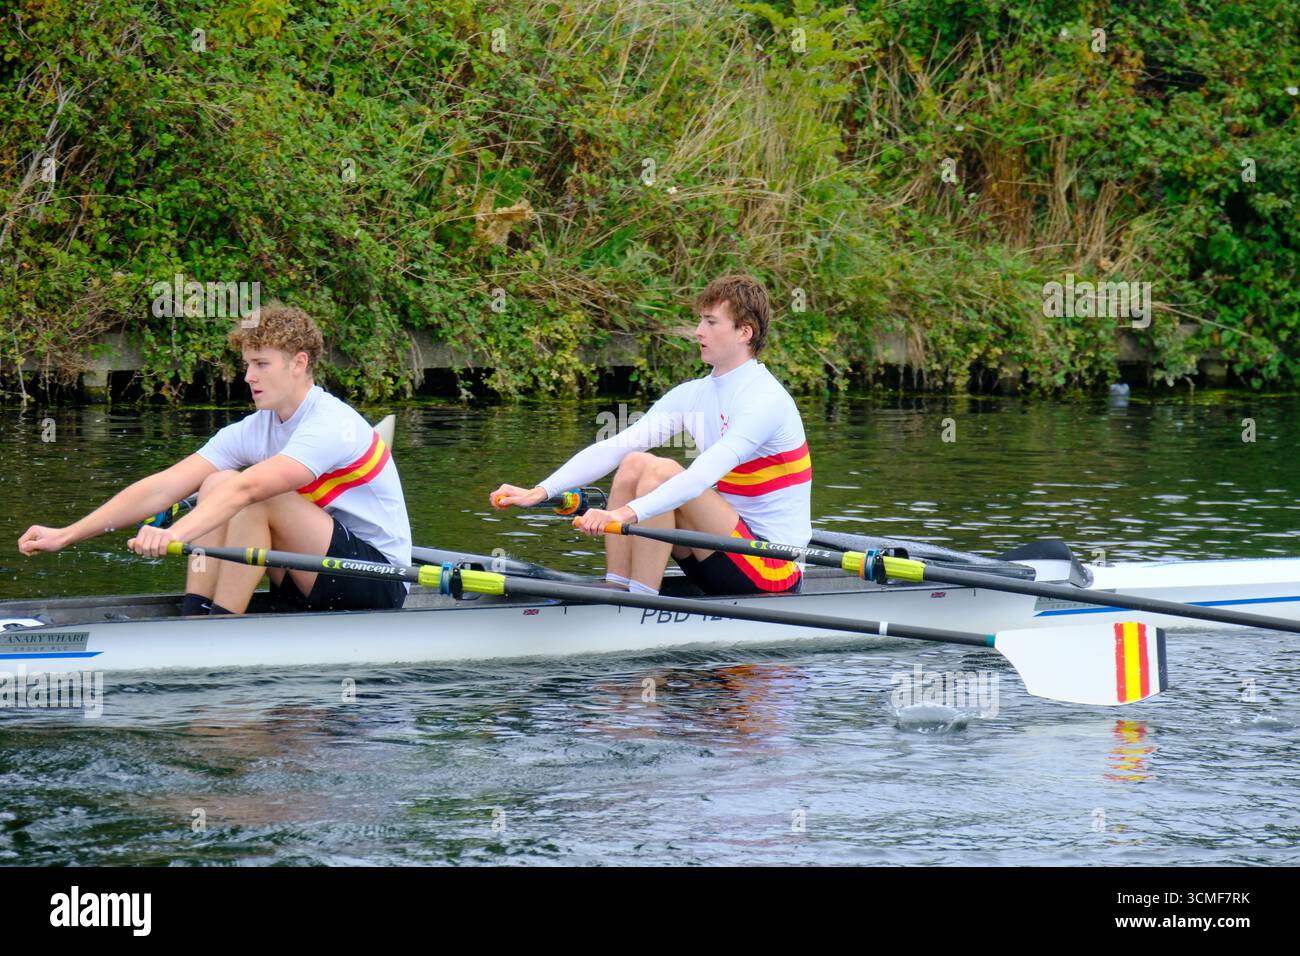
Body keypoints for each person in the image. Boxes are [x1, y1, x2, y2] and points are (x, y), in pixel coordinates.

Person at [17, 302, 411, 615]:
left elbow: (250, 488)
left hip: (378, 580)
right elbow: (165, 486)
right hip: (308, 573)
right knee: (214, 482)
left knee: (254, 493)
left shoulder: (330, 423)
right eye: (246, 365)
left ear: (299, 363)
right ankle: (197, 615)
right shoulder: (259, 427)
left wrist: (175, 535)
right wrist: (67, 533)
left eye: (261, 364)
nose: (248, 378)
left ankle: (222, 626)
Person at [490, 274, 811, 595]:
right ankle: (618, 585)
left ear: (745, 332)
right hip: (722, 548)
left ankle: (639, 599)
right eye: (700, 320)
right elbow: (615, 447)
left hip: (773, 565)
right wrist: (542, 491)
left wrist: (622, 514)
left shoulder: (764, 399)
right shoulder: (694, 394)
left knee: (663, 471)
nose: (698, 331)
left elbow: (699, 478)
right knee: (633, 462)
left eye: (712, 322)